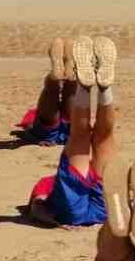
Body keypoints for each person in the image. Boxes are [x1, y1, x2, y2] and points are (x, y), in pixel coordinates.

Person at [28, 36, 117, 227]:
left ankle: (99, 87)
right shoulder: (47, 183)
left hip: (81, 211)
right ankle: (95, 87)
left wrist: (53, 222)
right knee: (82, 133)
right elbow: (37, 205)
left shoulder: (46, 184)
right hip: (92, 208)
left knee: (101, 137)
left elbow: (37, 206)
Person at [15, 38, 77, 146]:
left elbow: (28, 126)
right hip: (75, 133)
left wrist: (28, 134)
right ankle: (71, 74)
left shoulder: (32, 114)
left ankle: (54, 77)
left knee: (50, 92)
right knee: (71, 95)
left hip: (47, 133)